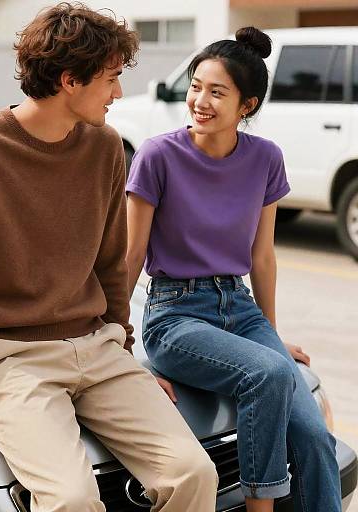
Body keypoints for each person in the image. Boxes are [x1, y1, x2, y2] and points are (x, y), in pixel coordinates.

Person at [0, 3, 218, 511]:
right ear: (70, 81)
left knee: (193, 474)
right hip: (10, 361)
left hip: (99, 351)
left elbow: (111, 263)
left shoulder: (105, 148)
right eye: (112, 79)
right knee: (72, 500)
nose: (119, 93)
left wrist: (122, 347)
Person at [125, 26, 341, 512]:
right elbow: (130, 255)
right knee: (266, 374)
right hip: (174, 315)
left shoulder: (266, 159)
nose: (199, 100)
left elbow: (262, 255)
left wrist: (269, 334)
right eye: (196, 86)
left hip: (240, 312)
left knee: (313, 436)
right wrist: (118, 343)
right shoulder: (158, 155)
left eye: (216, 91)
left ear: (247, 105)